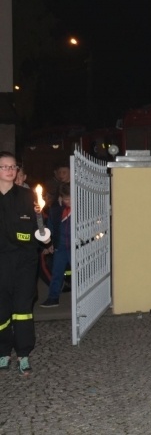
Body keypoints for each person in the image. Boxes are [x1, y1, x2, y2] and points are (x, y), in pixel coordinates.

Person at [0, 151, 44, 375]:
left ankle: (24, 354)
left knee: (22, 309)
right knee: (2, 311)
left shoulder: (27, 197)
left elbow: (38, 225)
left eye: (13, 166)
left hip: (24, 262)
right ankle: (3, 352)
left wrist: (44, 236)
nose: (10, 170)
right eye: (5, 166)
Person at [39, 183, 71, 308]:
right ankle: (53, 297)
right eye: (66, 199)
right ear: (61, 198)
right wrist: (49, 243)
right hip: (61, 246)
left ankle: (84, 296)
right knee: (57, 272)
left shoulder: (80, 208)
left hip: (76, 246)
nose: (68, 201)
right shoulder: (56, 209)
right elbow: (51, 227)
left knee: (81, 273)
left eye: (70, 198)